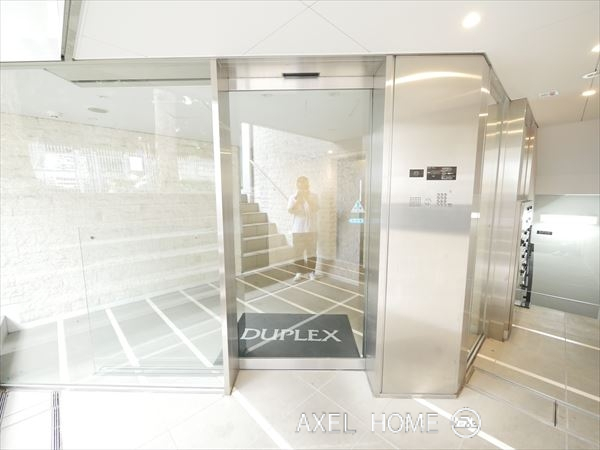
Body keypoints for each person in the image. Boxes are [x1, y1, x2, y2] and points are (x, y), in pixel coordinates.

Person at [287, 176, 319, 281]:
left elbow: (316, 208)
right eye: (300, 184)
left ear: (308, 185)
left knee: (311, 252)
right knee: (298, 253)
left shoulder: (314, 196)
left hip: (312, 230)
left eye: (304, 184)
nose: (302, 186)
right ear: (297, 185)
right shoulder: (293, 197)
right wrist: (298, 200)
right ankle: (299, 272)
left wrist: (307, 198)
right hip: (298, 230)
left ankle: (311, 272)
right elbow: (290, 211)